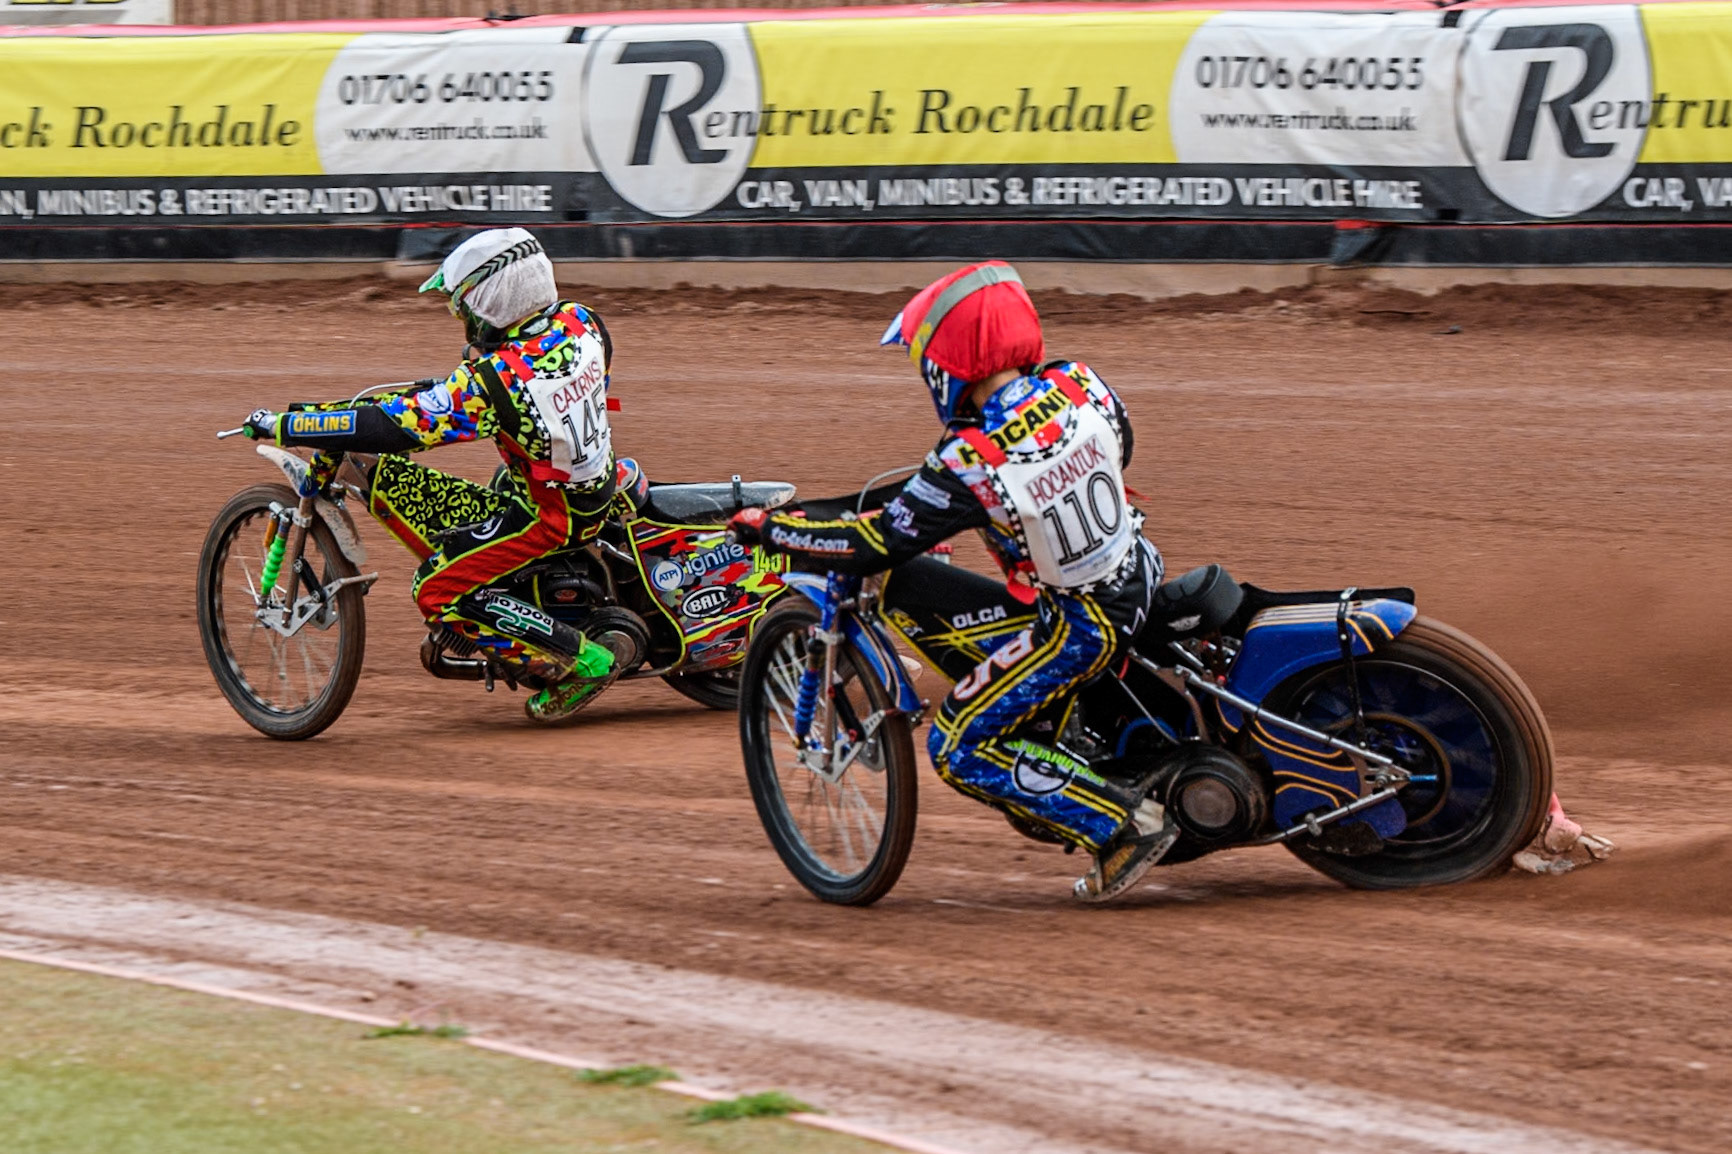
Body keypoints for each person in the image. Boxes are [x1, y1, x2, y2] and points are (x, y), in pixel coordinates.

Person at [729, 261, 1176, 903]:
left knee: (957, 742)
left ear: (951, 363)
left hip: (1084, 621)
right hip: (1138, 563)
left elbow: (876, 544)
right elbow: (1118, 448)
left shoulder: (970, 455)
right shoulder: (1080, 384)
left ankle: (1123, 824)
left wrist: (773, 532)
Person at [240, 227, 621, 722]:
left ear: (492, 300)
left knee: (435, 589)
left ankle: (583, 660)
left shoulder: (495, 381)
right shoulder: (580, 322)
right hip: (588, 479)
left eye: (462, 306)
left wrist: (290, 423)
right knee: (488, 492)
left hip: (552, 515)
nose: (460, 318)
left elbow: (398, 428)